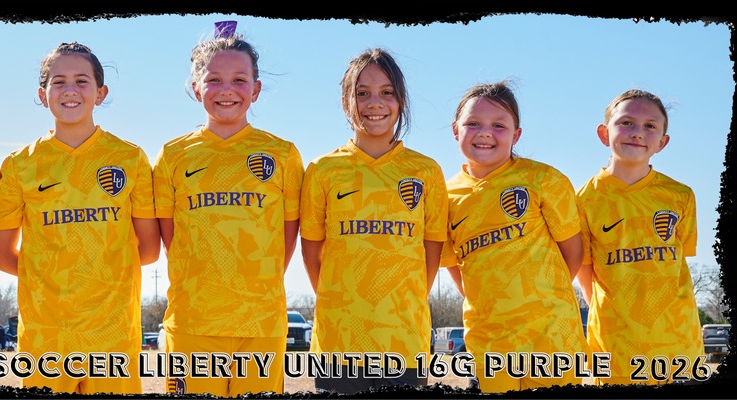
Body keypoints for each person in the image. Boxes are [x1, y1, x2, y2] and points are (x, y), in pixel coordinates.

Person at [0, 42, 159, 395]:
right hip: (46, 335)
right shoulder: (20, 165)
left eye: (81, 81)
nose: (70, 90)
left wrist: (96, 275)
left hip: (113, 333)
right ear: (42, 94)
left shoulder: (129, 158)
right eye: (59, 82)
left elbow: (149, 250)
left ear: (100, 93)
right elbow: (1, 253)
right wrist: (50, 276)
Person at [151, 21, 303, 396]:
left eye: (239, 80)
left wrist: (253, 287)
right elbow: (173, 241)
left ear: (256, 89)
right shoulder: (173, 155)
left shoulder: (282, 154)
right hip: (192, 324)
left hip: (260, 325)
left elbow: (285, 241)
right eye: (214, 80)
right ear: (195, 87)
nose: (226, 90)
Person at [299, 48, 447, 394]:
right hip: (339, 342)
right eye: (362, 93)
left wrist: (401, 301)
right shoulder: (323, 170)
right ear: (345, 103)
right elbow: (312, 254)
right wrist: (344, 301)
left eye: (386, 92)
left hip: (404, 342)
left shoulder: (425, 171)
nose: (374, 103)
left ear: (401, 100)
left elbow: (431, 254)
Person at [441, 81, 586, 393]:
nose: (485, 133)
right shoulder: (444, 197)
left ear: (516, 134)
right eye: (473, 124)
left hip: (552, 339)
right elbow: (454, 265)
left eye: (499, 125)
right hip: (489, 343)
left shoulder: (544, 179)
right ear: (455, 130)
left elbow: (573, 252)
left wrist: (539, 297)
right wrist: (492, 305)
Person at [575, 90, 703, 385]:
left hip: (679, 348)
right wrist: (619, 315)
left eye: (650, 126)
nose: (637, 133)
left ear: (662, 142)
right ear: (604, 133)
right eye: (626, 123)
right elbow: (585, 271)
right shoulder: (583, 200)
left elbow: (677, 265)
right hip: (615, 348)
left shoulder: (680, 196)